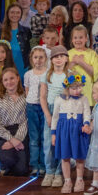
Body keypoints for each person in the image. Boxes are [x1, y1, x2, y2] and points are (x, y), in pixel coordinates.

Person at [41, 47, 69, 186]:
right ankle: (49, 171)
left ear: (66, 58)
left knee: (62, 142)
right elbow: (42, 97)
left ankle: (59, 173)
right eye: (55, 56)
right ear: (51, 60)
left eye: (61, 56)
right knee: (49, 143)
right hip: (51, 110)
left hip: (65, 110)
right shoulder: (46, 75)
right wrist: (47, 114)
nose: (58, 59)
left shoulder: (70, 75)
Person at [0, 67, 30, 177]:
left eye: (12, 78)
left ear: (18, 78)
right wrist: (11, 140)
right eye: (5, 80)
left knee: (22, 170)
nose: (9, 82)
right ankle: (4, 165)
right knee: (7, 159)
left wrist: (17, 139)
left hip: (20, 132)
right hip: (4, 134)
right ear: (2, 82)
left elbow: (25, 121)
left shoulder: (25, 97)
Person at [24, 46, 48, 177]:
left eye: (41, 57)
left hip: (44, 107)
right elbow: (27, 90)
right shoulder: (28, 74)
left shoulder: (48, 73)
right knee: (34, 138)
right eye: (35, 57)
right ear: (31, 59)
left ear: (45, 59)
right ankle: (34, 165)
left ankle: (44, 165)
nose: (38, 60)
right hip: (32, 106)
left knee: (44, 137)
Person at [67, 25, 98, 105]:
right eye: (75, 38)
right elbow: (62, 74)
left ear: (86, 39)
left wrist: (81, 62)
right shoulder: (68, 54)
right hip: (71, 94)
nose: (78, 40)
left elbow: (96, 73)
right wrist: (72, 63)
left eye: (81, 37)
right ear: (72, 40)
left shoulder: (92, 54)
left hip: (87, 93)